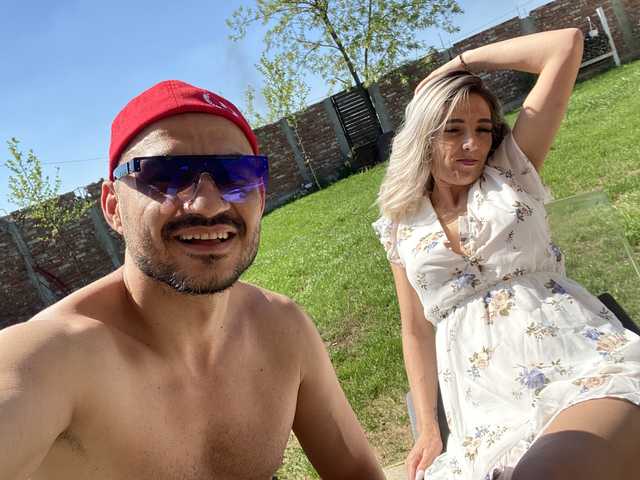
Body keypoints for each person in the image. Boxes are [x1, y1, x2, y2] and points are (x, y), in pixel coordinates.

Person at [0, 80, 385, 480]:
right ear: (113, 207)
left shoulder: (283, 329)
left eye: (235, 174)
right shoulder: (50, 359)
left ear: (261, 198)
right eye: (165, 175)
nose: (208, 204)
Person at [373, 28, 640, 480]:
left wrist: (457, 65)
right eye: (453, 130)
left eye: (483, 129)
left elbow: (565, 45)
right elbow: (415, 329)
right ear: (423, 136)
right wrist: (428, 429)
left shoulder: (511, 171)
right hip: (484, 409)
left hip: (576, 362)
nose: (473, 145)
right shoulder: (399, 223)